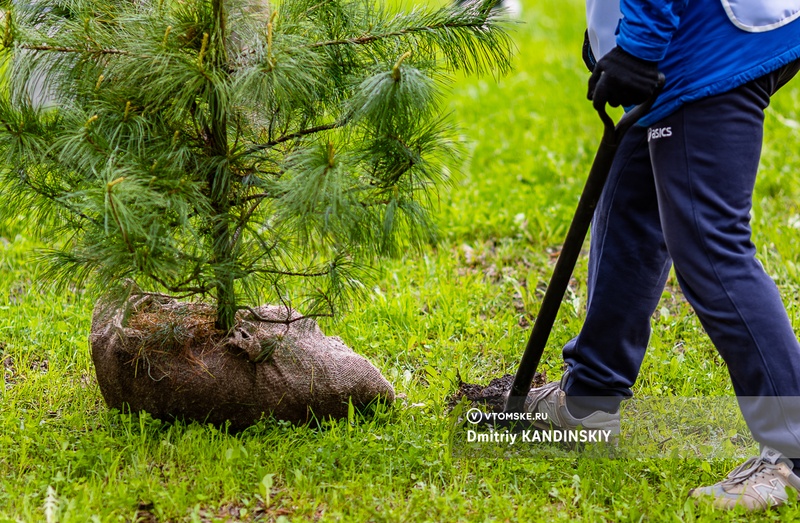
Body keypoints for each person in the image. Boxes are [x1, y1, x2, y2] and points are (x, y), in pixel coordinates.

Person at [523, 0, 800, 511]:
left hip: (709, 36)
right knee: (633, 193)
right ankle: (589, 401)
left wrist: (641, 45)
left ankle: (793, 450)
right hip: (709, 24)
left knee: (710, 243)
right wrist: (609, 36)